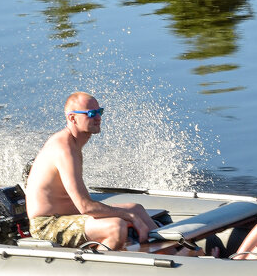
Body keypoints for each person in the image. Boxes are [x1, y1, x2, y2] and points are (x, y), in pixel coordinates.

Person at [25, 91, 159, 250]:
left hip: (69, 215)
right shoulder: (64, 149)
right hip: (48, 224)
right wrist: (128, 216)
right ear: (72, 118)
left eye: (99, 112)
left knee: (137, 209)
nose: (98, 117)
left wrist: (132, 214)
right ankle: (98, 269)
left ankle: (172, 254)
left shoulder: (74, 145)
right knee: (116, 227)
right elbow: (85, 207)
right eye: (91, 113)